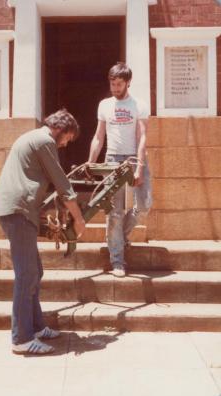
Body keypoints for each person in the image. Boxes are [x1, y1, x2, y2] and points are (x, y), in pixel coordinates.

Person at [0, 109, 85, 355]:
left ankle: (37, 327)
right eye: (67, 139)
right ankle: (21, 338)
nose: (65, 145)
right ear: (60, 130)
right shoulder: (44, 141)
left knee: (34, 271)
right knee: (26, 274)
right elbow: (61, 182)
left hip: (19, 210)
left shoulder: (33, 137)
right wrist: (79, 217)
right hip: (18, 211)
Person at [88, 62, 152, 278]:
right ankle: (117, 260)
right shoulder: (104, 105)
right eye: (112, 83)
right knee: (114, 212)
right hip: (112, 159)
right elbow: (99, 136)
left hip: (135, 158)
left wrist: (139, 167)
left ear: (128, 82)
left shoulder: (139, 105)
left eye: (119, 84)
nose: (115, 88)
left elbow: (142, 135)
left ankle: (119, 237)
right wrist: (91, 162)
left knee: (143, 204)